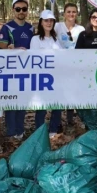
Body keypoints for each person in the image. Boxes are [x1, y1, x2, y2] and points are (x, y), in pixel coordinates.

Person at [0, 0, 33, 140]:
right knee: (11, 100)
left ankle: (20, 129)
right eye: (18, 9)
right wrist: (9, 48)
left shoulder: (31, 27)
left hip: (26, 70)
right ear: (13, 10)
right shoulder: (7, 27)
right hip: (10, 70)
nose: (21, 11)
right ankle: (11, 131)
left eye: (24, 9)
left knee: (22, 100)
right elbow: (1, 47)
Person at [30, 10, 63, 138]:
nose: (49, 23)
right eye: (46, 20)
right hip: (42, 77)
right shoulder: (35, 39)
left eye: (51, 21)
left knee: (57, 104)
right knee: (41, 106)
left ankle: (53, 130)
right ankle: (40, 131)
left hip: (57, 77)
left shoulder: (56, 39)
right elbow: (34, 58)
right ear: (41, 22)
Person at [54, 3, 85, 128]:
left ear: (77, 13)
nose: (71, 14)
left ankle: (70, 119)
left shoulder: (81, 29)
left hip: (75, 65)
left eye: (74, 12)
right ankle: (58, 121)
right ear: (64, 14)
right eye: (68, 12)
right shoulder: (57, 26)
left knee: (73, 91)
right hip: (60, 65)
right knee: (61, 91)